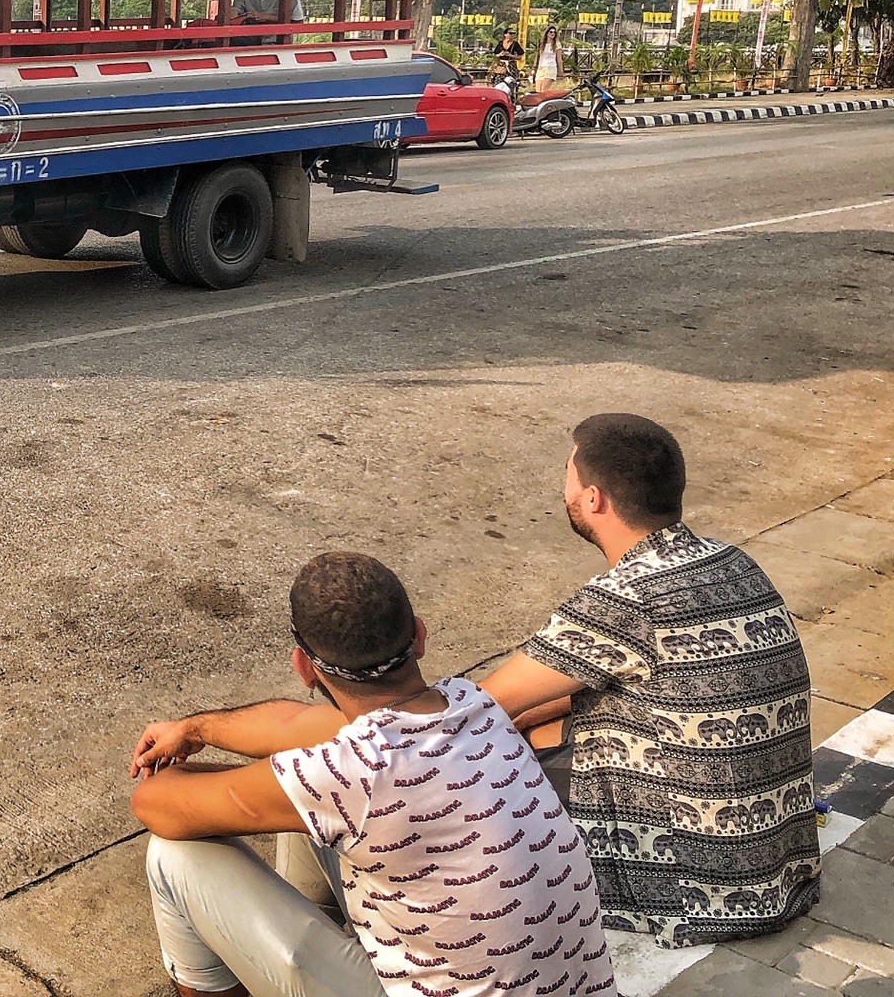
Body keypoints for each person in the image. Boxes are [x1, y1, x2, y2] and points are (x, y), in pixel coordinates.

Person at [130, 552, 612, 997]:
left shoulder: (346, 776)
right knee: (314, 784)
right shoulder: (474, 704)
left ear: (303, 667)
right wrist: (196, 728)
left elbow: (157, 806)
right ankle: (319, 925)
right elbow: (297, 726)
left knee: (173, 858)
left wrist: (206, 767)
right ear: (419, 636)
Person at [480, 414, 819, 950]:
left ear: (593, 499)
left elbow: (480, 703)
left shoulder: (626, 596)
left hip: (701, 889)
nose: (563, 488)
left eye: (568, 476)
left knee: (472, 762)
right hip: (779, 866)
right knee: (538, 718)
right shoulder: (733, 560)